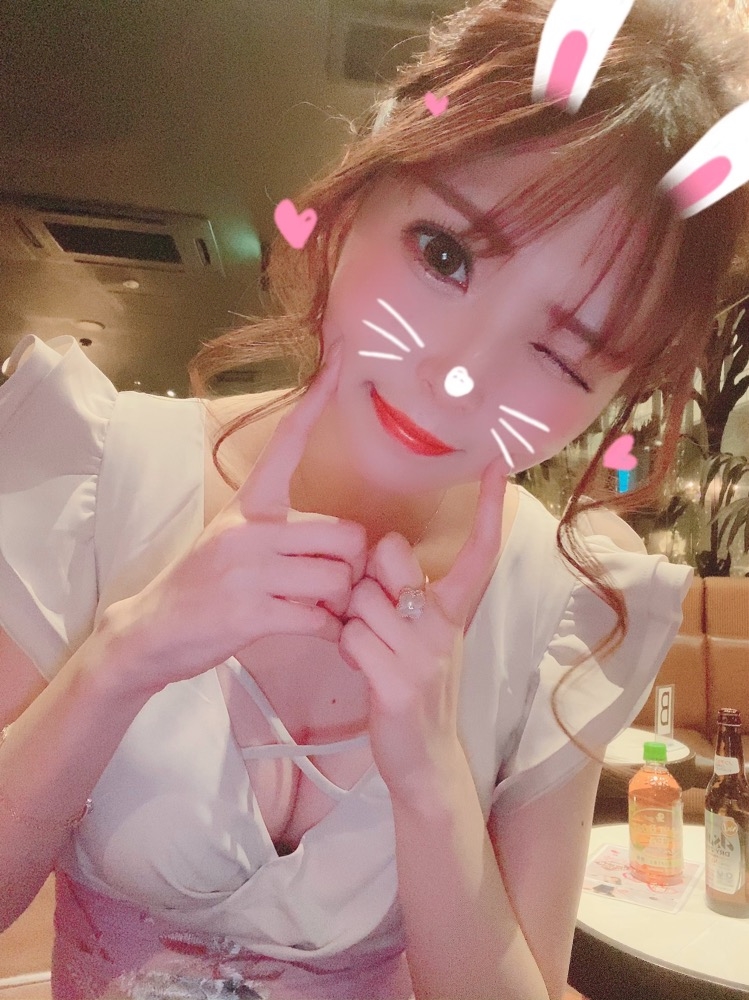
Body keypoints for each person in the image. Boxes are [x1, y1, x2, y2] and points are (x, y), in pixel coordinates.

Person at [1, 0, 747, 997]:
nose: (457, 373)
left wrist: (433, 777)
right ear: (353, 203)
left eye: (562, 354)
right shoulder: (94, 475)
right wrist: (125, 656)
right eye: (445, 255)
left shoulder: (565, 608)